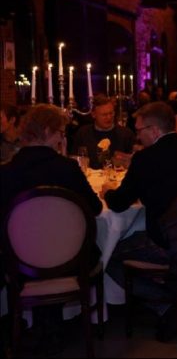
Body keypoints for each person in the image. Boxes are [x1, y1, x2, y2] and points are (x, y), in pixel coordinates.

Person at [101, 102, 177, 339]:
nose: (138, 136)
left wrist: (107, 192)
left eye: (139, 130)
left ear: (154, 130)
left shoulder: (146, 158)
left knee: (107, 254)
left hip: (166, 241)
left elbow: (119, 203)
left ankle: (167, 303)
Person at [0, 104, 102, 355]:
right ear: (46, 131)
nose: (61, 138)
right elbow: (95, 208)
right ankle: (55, 328)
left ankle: (40, 329)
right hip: (71, 262)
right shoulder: (67, 168)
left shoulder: (6, 172)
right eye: (60, 133)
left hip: (20, 264)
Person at [72, 95, 135, 169]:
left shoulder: (126, 134)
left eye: (111, 113)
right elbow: (75, 160)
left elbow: (134, 162)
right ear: (93, 115)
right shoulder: (83, 133)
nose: (109, 117)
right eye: (104, 115)